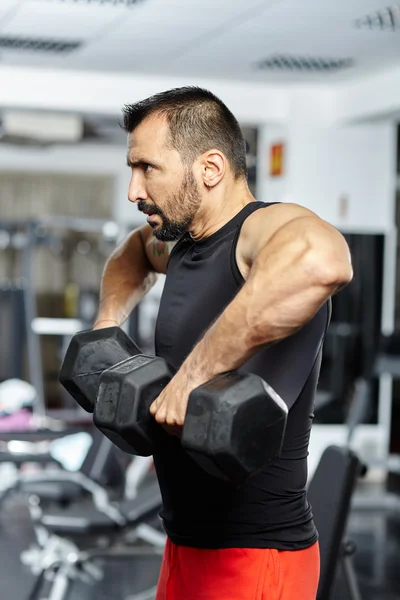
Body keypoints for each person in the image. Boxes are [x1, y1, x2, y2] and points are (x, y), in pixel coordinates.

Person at [93, 87, 353, 600]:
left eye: (147, 168)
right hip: (185, 545)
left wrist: (192, 377)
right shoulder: (184, 243)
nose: (133, 190)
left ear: (210, 168)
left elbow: (325, 259)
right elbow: (134, 254)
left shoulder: (256, 233)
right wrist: (105, 326)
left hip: (256, 557)